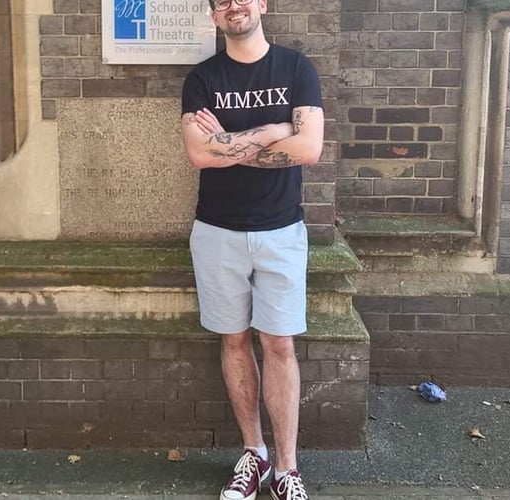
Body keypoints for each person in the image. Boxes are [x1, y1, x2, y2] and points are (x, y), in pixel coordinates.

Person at [180, 0, 324, 499]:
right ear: (214, 15)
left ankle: (287, 469)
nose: (234, 5)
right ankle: (254, 455)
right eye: (222, 1)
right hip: (217, 231)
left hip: (282, 231)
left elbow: (308, 150)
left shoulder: (295, 68)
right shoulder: (201, 78)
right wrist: (274, 130)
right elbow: (200, 154)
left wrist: (232, 144)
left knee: (279, 343)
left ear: (262, 4)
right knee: (234, 340)